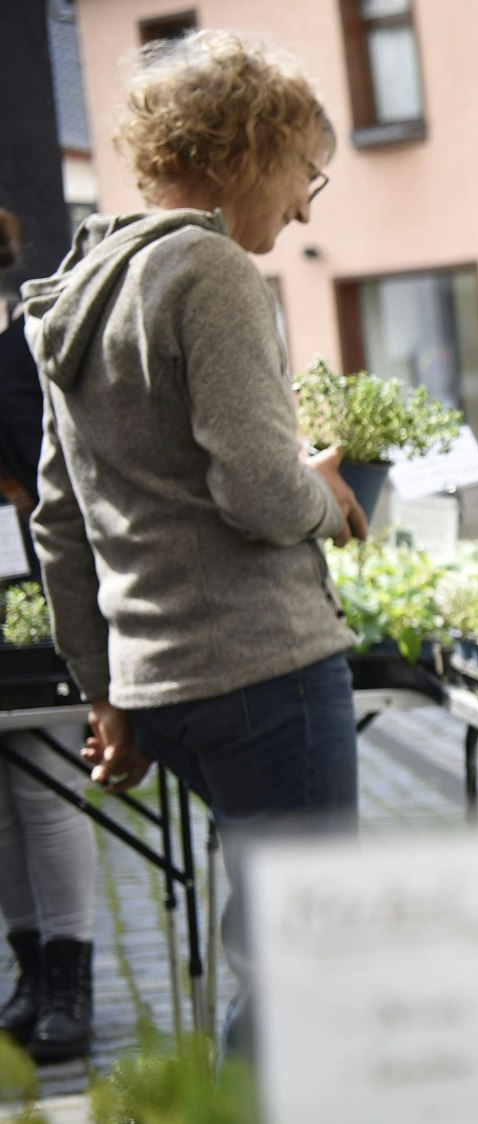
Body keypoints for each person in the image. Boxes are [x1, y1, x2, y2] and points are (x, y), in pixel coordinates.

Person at [19, 30, 371, 1057]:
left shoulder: (76, 288)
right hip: (267, 668)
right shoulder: (209, 271)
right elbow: (261, 491)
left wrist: (105, 692)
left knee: (274, 948)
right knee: (308, 964)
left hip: (167, 685)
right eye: (308, 176)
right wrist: (323, 493)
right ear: (248, 150)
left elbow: (58, 516)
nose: (307, 207)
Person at [0, 207, 99, 1066]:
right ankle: (32, 971)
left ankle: (71, 978)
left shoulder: (26, 356)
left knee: (45, 790)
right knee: (1, 809)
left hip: (35, 601)